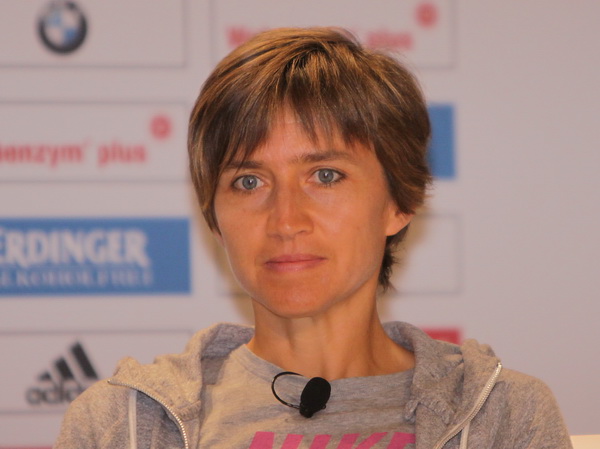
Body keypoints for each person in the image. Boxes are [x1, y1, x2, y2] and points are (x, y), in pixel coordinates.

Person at [54, 27, 572, 449]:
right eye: (248, 182)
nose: (285, 220)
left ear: (400, 201)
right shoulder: (120, 424)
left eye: (325, 176)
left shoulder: (506, 418)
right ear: (214, 217)